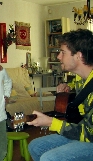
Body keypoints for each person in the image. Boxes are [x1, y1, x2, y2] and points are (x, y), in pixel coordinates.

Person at [27, 29, 93, 161]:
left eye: (63, 52)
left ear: (78, 56)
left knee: (49, 158)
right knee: (35, 146)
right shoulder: (81, 79)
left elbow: (89, 135)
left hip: (89, 137)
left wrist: (51, 122)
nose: (58, 57)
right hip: (84, 131)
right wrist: (69, 87)